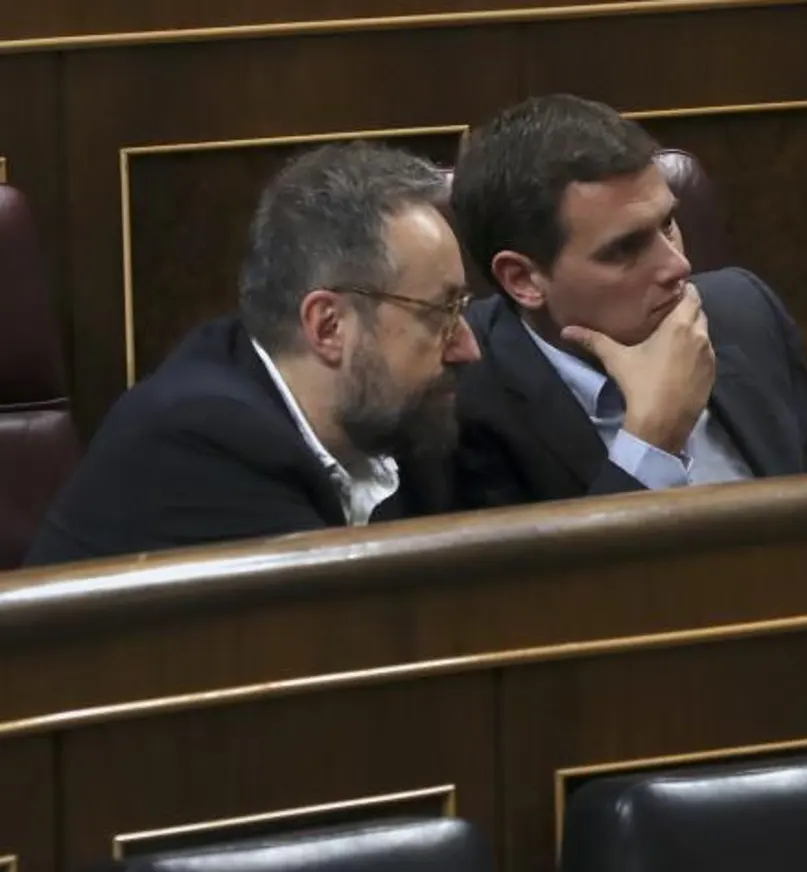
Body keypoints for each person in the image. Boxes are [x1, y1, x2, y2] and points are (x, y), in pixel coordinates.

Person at [25, 142, 478, 567]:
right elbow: (361, 633)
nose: (467, 346)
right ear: (329, 326)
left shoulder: (391, 417)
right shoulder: (201, 445)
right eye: (442, 312)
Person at [435, 93, 807, 511]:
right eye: (625, 249)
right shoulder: (460, 405)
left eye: (667, 225)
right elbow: (549, 591)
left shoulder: (743, 312)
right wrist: (651, 439)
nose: (678, 266)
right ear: (524, 279)